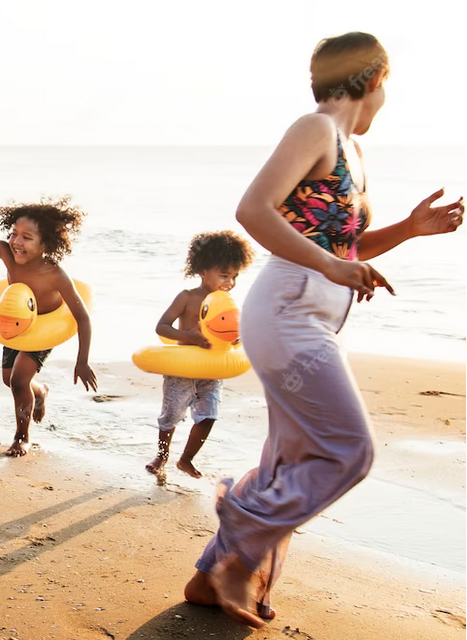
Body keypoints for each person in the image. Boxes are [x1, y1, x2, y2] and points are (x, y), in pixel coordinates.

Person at [182, 32, 464, 627]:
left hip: (310, 312)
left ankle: (213, 574)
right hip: (287, 308)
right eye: (386, 85)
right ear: (370, 80)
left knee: (292, 459)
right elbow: (253, 210)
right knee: (349, 451)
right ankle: (241, 537)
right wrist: (334, 264)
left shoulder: (350, 152)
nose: (386, 98)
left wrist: (409, 230)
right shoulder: (315, 129)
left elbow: (342, 243)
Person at [0, 197, 98, 456]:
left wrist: (82, 360)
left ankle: (22, 437)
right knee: (10, 380)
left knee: (18, 379)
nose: (16, 242)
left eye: (27, 237)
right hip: (17, 323)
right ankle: (41, 391)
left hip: (44, 330)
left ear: (46, 243)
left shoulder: (55, 275)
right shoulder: (6, 254)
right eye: (14, 233)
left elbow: (82, 316)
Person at [148, 231, 254, 480]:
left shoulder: (228, 303)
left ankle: (186, 459)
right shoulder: (187, 298)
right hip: (182, 369)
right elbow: (161, 327)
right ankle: (162, 456)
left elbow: (235, 335)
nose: (230, 283)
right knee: (170, 416)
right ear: (203, 270)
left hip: (211, 370)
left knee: (209, 415)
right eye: (224, 275)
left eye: (235, 277)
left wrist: (237, 339)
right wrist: (189, 336)